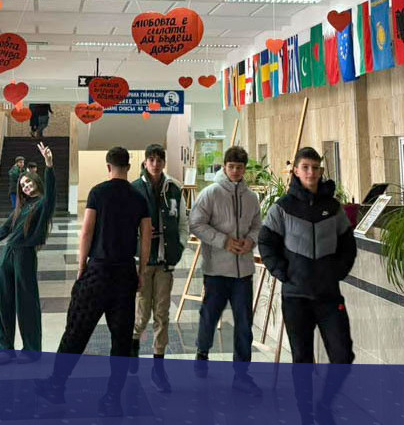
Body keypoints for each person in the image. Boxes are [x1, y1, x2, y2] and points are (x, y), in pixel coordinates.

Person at [36, 147, 153, 417]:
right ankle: (113, 398)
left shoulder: (98, 193)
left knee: (77, 330)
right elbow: (146, 237)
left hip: (98, 271)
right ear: (129, 166)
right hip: (125, 274)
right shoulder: (139, 197)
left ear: (108, 166)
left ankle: (56, 385)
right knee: (121, 340)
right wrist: (141, 271)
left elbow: (87, 231)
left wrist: (81, 267)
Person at [259, 147, 356, 422]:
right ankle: (306, 415)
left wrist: (337, 272)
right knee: (302, 360)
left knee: (343, 356)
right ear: (296, 171)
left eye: (315, 167)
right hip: (296, 297)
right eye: (305, 167)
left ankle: (324, 405)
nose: (311, 172)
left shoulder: (333, 209)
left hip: (328, 297)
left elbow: (348, 245)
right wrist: (282, 272)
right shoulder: (282, 208)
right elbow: (265, 242)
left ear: (321, 171)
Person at [188, 145, 263, 397]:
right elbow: (196, 223)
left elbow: (257, 225)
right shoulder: (210, 194)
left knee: (244, 324)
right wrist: (223, 241)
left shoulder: (251, 198)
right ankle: (202, 350)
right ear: (224, 166)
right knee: (209, 316)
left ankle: (242, 374)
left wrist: (250, 241)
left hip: (244, 272)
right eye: (231, 167)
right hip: (217, 271)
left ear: (244, 169)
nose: (235, 171)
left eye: (240, 168)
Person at [0, 143, 54, 365]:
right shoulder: (21, 207)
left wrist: (49, 165)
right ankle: (5, 348)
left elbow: (51, 193)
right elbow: (6, 227)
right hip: (8, 255)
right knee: (5, 302)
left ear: (36, 182)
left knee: (27, 304)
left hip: (25, 256)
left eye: (29, 182)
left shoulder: (43, 204)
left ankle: (32, 350)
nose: (26, 186)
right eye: (23, 185)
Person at [130, 143, 187, 392]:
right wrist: (138, 236)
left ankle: (158, 366)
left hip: (165, 262)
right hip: (142, 263)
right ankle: (133, 346)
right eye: (151, 160)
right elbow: (125, 224)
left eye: (159, 160)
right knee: (142, 314)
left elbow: (183, 222)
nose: (155, 164)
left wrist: (179, 248)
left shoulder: (173, 188)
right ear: (145, 162)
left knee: (162, 315)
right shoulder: (134, 189)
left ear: (164, 162)